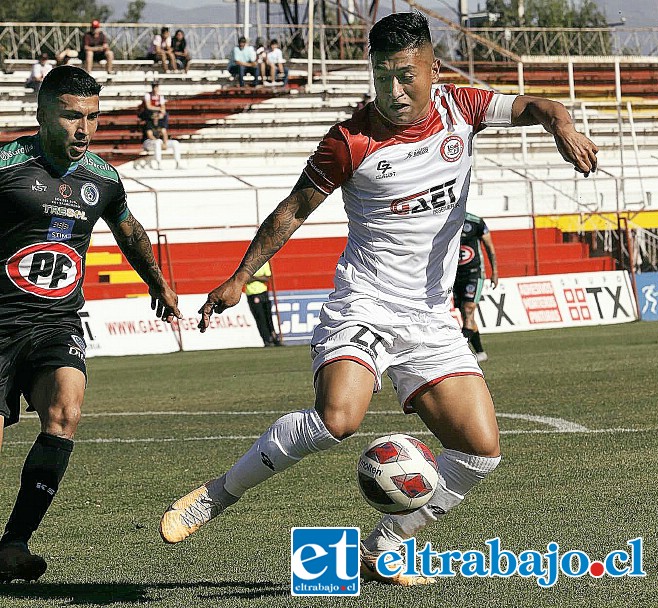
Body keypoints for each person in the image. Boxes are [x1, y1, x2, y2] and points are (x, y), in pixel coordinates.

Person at [160, 11, 597, 586]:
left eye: (406, 77)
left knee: (481, 452)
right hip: (365, 303)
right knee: (338, 419)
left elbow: (536, 106)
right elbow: (292, 210)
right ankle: (215, 497)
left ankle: (384, 545)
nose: (393, 90)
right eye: (381, 76)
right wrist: (241, 275)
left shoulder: (462, 109)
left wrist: (561, 124)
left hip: (429, 318)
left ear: (432, 70)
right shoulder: (350, 141)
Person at [0, 66, 181, 583]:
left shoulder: (101, 177)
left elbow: (128, 229)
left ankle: (13, 544)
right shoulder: (7, 164)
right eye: (72, 116)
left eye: (93, 118)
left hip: (56, 321)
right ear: (42, 114)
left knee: (66, 409)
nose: (84, 129)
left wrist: (157, 282)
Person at [453, 213, 498, 362]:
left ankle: (459, 354)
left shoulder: (475, 222)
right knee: (467, 316)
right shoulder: (446, 222)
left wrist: (495, 272)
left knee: (468, 309)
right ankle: (480, 352)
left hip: (474, 273)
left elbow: (489, 246)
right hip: (455, 276)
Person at [244, 262, 281, 346]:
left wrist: (254, 277)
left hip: (263, 292)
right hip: (252, 294)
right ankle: (267, 339)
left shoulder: (264, 263)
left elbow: (267, 278)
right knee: (260, 318)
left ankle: (274, 337)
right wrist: (259, 278)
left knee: (268, 317)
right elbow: (245, 279)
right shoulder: (248, 264)